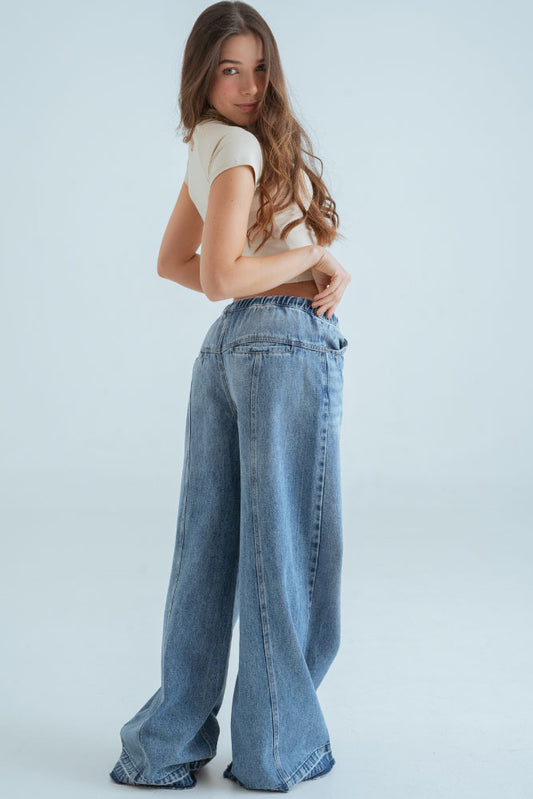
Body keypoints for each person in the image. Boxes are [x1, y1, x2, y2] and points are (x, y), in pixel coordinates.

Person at [109, 1, 351, 792]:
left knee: (207, 550)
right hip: (281, 344)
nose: (248, 86)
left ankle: (165, 746)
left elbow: (176, 263)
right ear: (202, 76)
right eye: (228, 70)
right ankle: (275, 747)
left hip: (229, 347)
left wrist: (282, 269)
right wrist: (312, 258)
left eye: (258, 68)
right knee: (288, 552)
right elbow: (217, 274)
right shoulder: (239, 146)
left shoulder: (210, 145)